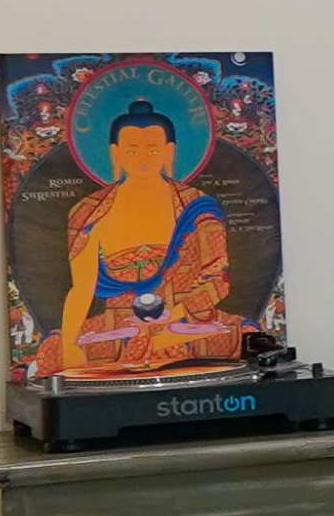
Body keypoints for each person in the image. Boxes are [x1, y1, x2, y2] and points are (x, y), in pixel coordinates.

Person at [32, 100, 244, 376]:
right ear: (115, 153)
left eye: (153, 148)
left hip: (185, 322)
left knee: (244, 337)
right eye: (132, 149)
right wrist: (71, 343)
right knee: (54, 351)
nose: (143, 157)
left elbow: (219, 281)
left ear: (169, 152)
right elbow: (81, 290)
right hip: (120, 324)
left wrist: (173, 315)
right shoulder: (88, 211)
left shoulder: (198, 206)